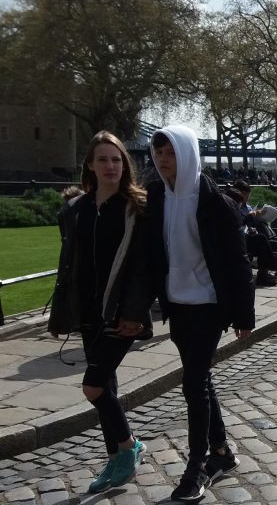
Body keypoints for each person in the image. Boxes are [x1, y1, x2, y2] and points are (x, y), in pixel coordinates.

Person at [147, 126, 255, 501]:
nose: (163, 160)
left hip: (210, 304)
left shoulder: (215, 203)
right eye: (158, 152)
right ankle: (223, 452)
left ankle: (196, 467)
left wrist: (244, 315)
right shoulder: (157, 196)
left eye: (171, 152)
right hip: (177, 304)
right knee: (202, 380)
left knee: (193, 383)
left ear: (187, 154)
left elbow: (237, 261)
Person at [49, 131, 152, 493]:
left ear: (125, 164)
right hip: (88, 311)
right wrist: (62, 315)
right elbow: (70, 267)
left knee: (92, 386)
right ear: (90, 165)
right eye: (103, 159)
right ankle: (115, 460)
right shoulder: (78, 210)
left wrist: (135, 312)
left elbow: (143, 267)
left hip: (121, 314)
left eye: (117, 159)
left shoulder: (136, 207)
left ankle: (129, 448)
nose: (111, 165)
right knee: (106, 385)